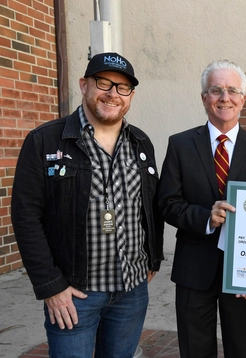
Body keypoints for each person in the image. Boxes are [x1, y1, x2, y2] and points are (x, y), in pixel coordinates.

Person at [11, 52, 164, 357]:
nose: (113, 94)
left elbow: (151, 205)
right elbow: (26, 216)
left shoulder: (140, 143)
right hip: (75, 293)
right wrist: (50, 286)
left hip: (131, 291)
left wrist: (153, 258)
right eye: (103, 83)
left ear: (131, 95)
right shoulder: (45, 141)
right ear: (84, 85)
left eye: (123, 88)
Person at [158, 60, 246, 358]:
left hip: (242, 269)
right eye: (216, 90)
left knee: (239, 349)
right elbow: (167, 203)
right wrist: (205, 218)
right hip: (193, 269)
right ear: (203, 98)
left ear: (243, 98)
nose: (225, 97)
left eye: (232, 90)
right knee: (195, 350)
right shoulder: (180, 144)